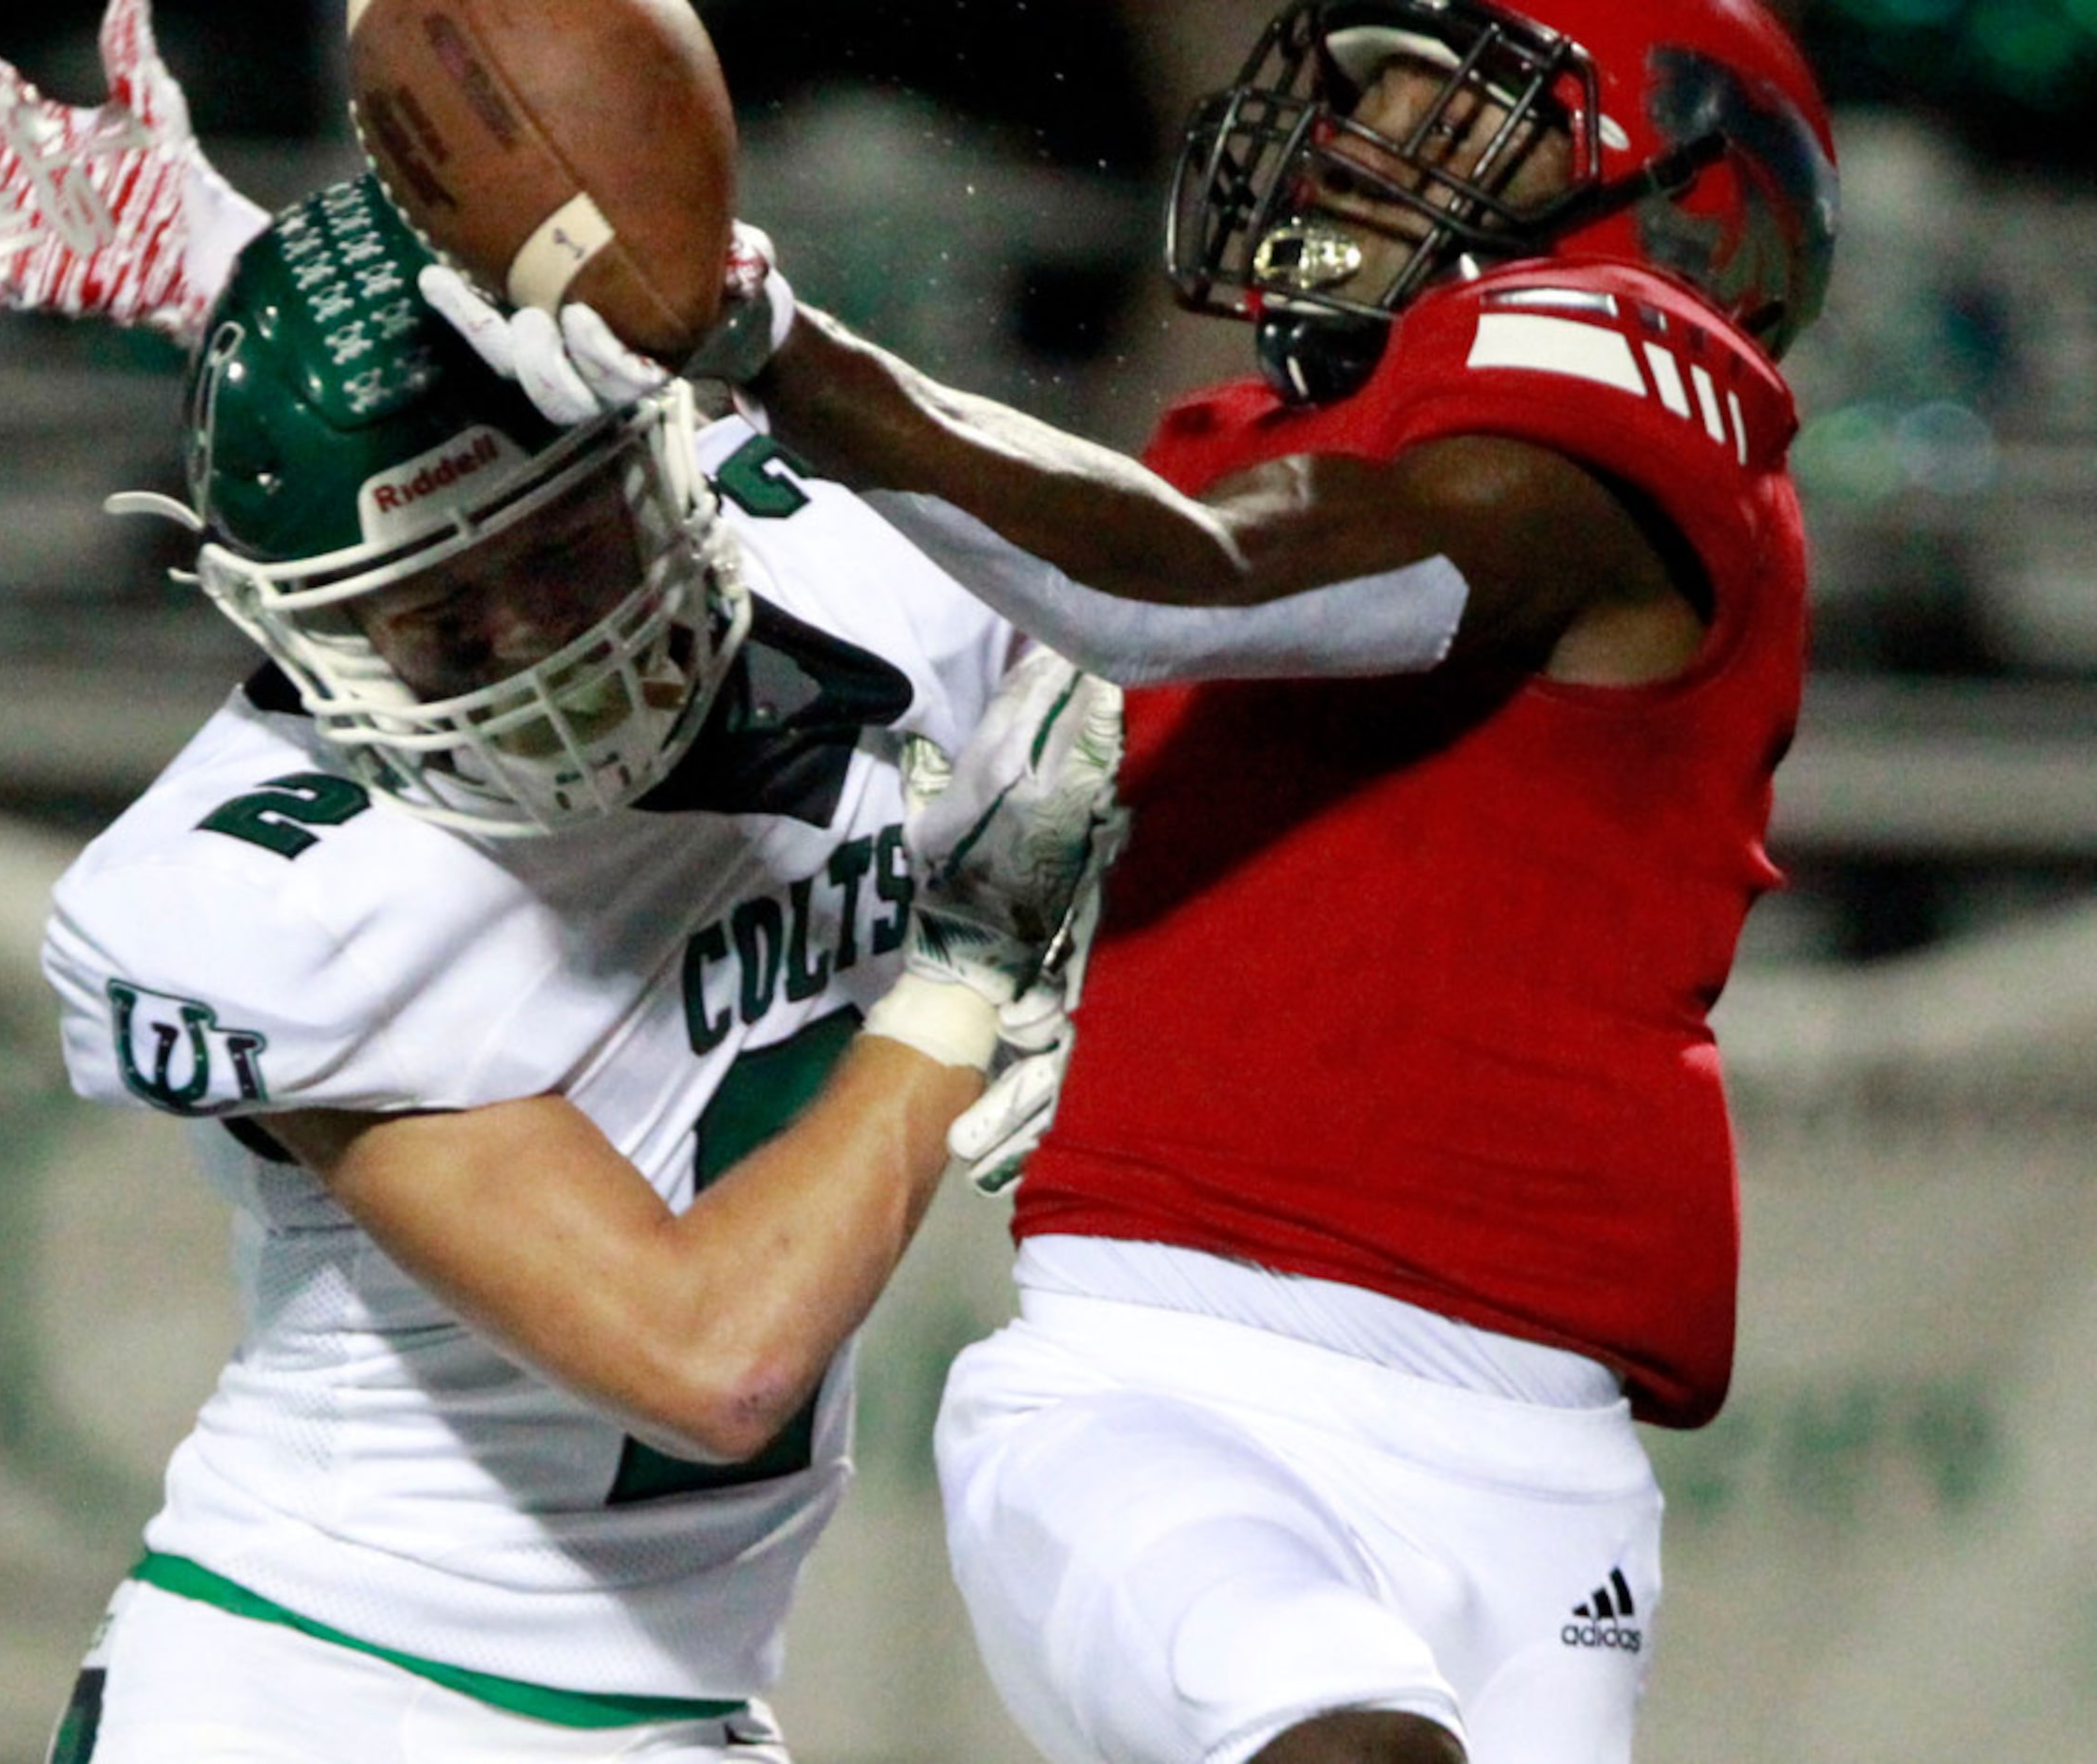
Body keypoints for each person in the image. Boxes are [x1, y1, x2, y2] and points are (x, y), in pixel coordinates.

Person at [469, 1, 1841, 1761]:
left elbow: (1186, 585)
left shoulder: (1623, 393)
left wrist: (770, 337)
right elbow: (764, 524)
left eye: (1440, 105)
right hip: (1165, 1387)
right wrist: (261, 274)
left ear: (1677, 199)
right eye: (1364, 96)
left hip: (1543, 1469)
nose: (1354, 140)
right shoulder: (1218, 456)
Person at [0, 13, 1125, 1760]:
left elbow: (1181, 624)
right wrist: (968, 961)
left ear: (674, 465)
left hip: (685, 1707)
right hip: (319, 1693)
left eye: (561, 562)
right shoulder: (277, 891)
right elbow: (711, 1353)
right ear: (287, 619)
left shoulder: (843, 560)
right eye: (433, 623)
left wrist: (274, 285)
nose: (529, 665)